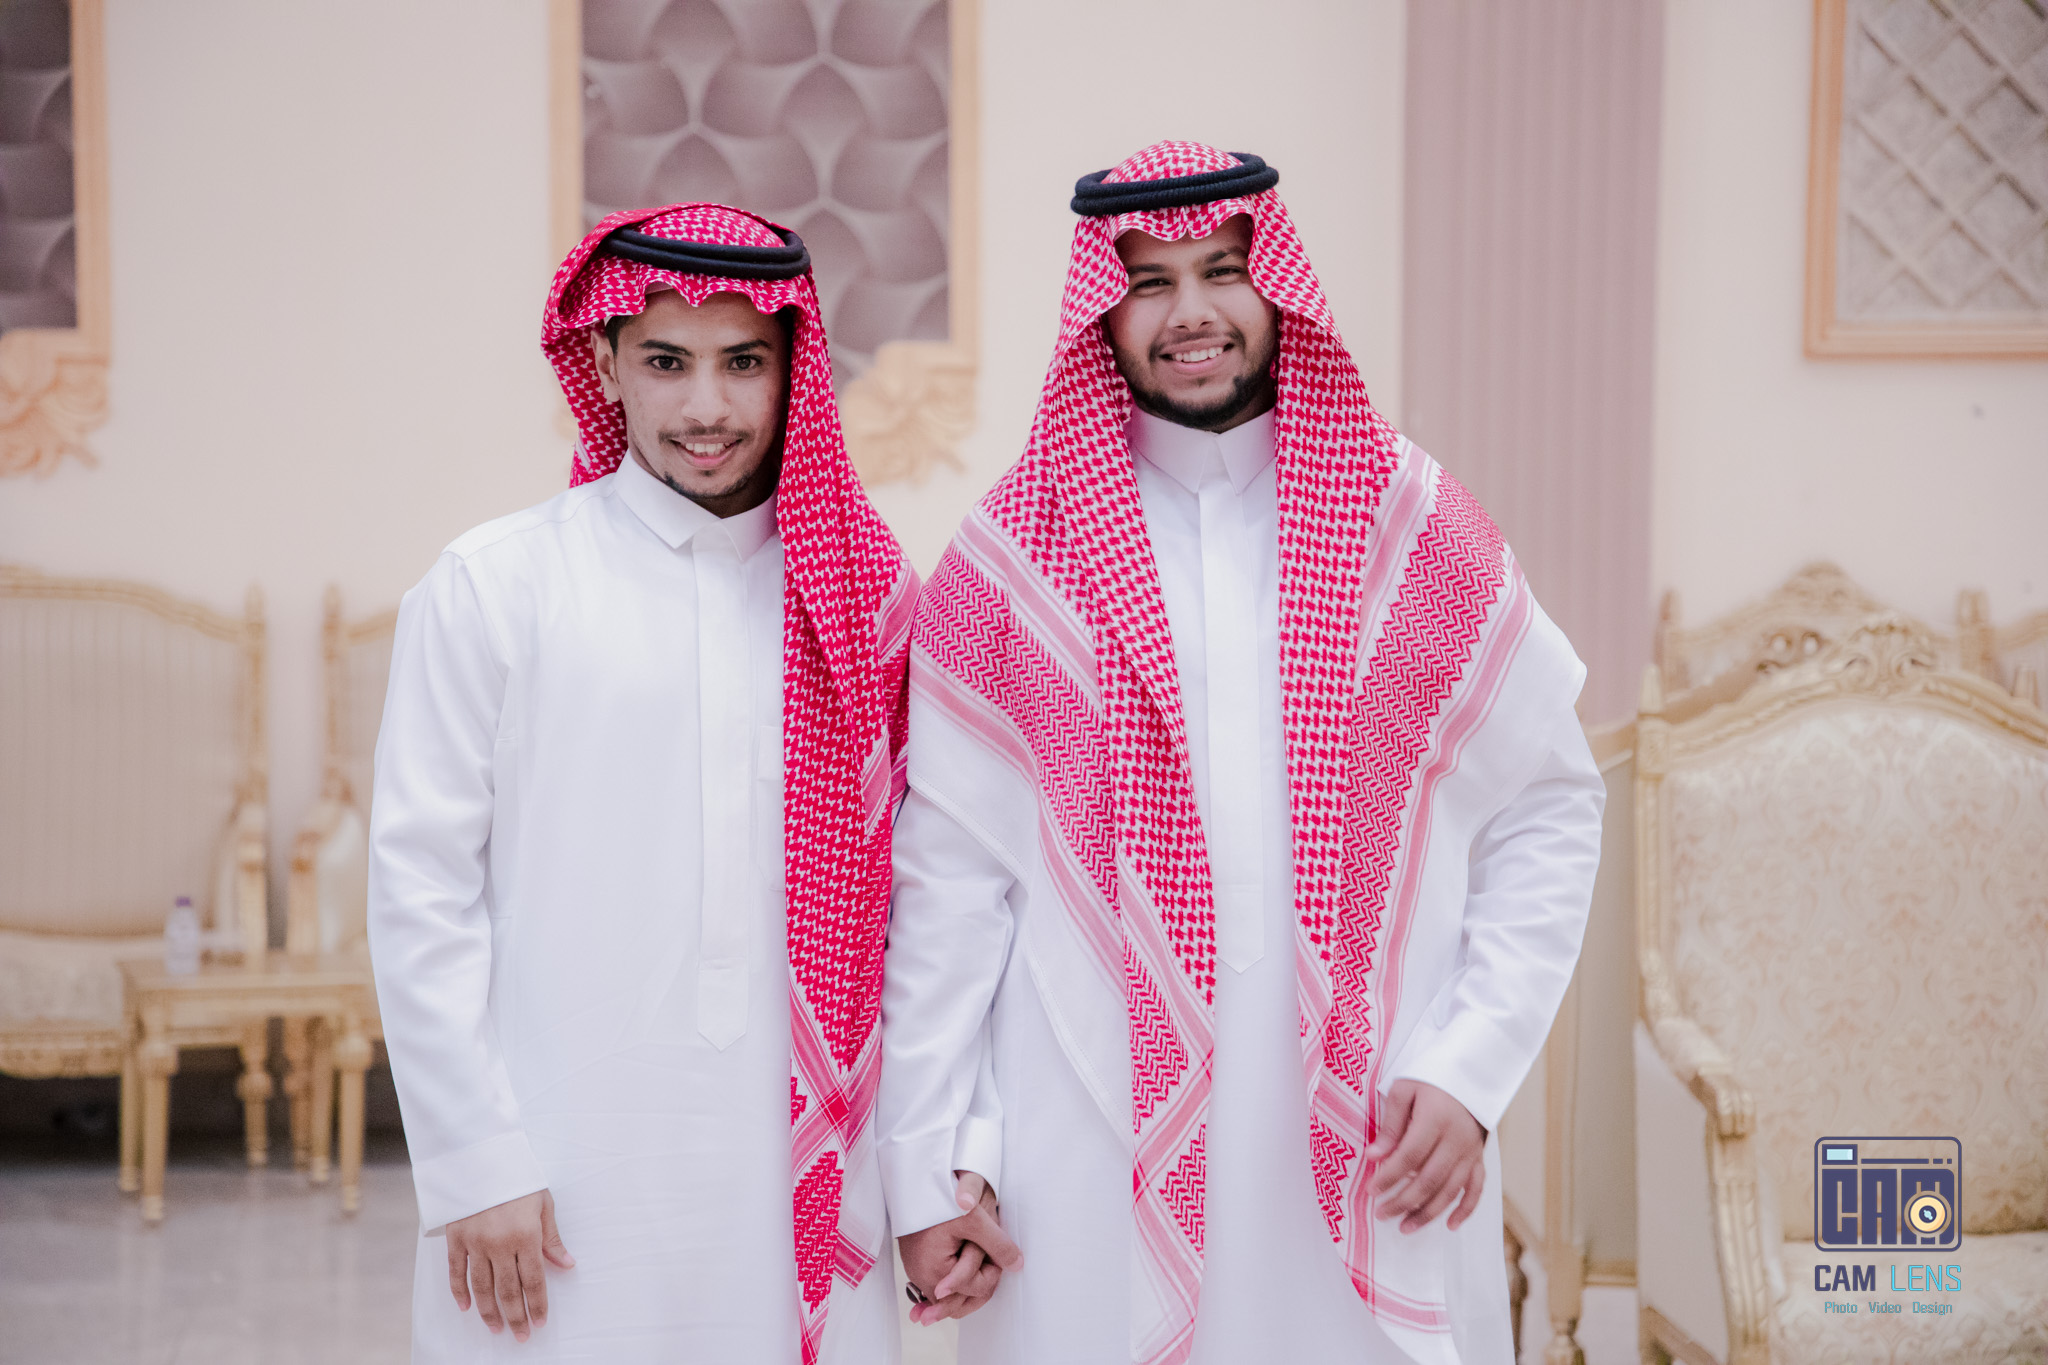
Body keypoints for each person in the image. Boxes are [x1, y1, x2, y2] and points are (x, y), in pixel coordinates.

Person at [877, 142, 1604, 1365]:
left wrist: (1469, 1066)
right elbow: (950, 883)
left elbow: (1547, 806)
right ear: (1100, 312)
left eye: (1220, 270)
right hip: (1086, 1138)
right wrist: (935, 1155)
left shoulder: (1408, 529)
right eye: (1146, 282)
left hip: (1377, 1124)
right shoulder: (1013, 561)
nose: (1190, 313)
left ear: (1275, 285)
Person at [368, 203, 919, 1364]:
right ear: (607, 363)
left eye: (743, 363)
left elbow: (918, 907)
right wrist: (474, 1162)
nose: (706, 407)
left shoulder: (862, 599)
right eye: (666, 362)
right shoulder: (496, 585)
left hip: (800, 1175)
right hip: (553, 1172)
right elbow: (420, 894)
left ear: (792, 371)